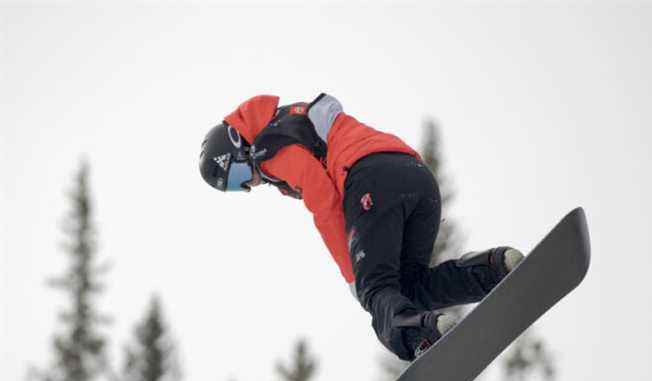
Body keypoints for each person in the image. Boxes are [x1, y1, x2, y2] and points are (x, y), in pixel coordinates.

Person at [199, 93, 524, 361]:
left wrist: (354, 277)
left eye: (240, 175)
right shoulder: (289, 122)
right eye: (238, 187)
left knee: (376, 290)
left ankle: (420, 335)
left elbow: (323, 203)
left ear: (237, 145)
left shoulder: (268, 147)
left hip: (370, 178)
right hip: (417, 178)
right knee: (409, 288)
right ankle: (495, 269)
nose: (251, 183)